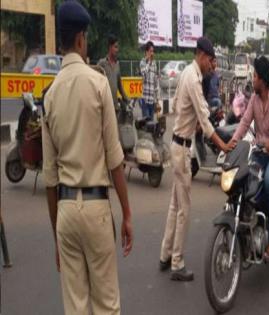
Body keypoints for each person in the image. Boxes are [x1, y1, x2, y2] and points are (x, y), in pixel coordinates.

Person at [42, 1, 133, 314]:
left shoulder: (49, 96)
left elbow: (49, 179)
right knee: (106, 305)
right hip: (96, 208)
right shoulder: (97, 83)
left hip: (65, 211)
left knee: (76, 307)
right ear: (81, 39)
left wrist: (57, 234)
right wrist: (128, 214)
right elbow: (114, 160)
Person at [159, 37, 233, 281]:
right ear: (202, 56)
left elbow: (192, 113)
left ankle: (165, 254)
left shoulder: (191, 74)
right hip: (181, 149)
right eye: (211, 60)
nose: (212, 65)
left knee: (174, 206)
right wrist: (224, 146)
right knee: (184, 209)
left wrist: (203, 123)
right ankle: (177, 262)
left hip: (179, 142)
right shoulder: (192, 77)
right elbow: (203, 118)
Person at [228, 56, 269, 259]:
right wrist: (232, 143)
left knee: (268, 182)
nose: (252, 79)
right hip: (258, 153)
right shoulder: (253, 99)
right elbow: (244, 122)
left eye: (254, 76)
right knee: (242, 179)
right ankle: (245, 222)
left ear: (262, 79)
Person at [97, 34, 129, 109]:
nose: (117, 50)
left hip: (115, 107)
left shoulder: (117, 65)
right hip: (104, 106)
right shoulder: (102, 63)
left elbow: (120, 86)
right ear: (110, 47)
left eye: (117, 47)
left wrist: (127, 99)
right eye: (115, 47)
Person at [139, 41, 158, 119]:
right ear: (146, 52)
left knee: (152, 126)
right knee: (146, 125)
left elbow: (156, 83)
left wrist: (157, 100)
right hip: (145, 99)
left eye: (153, 51)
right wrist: (149, 62)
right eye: (150, 51)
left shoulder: (154, 64)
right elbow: (143, 74)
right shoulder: (142, 62)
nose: (152, 53)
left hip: (152, 100)